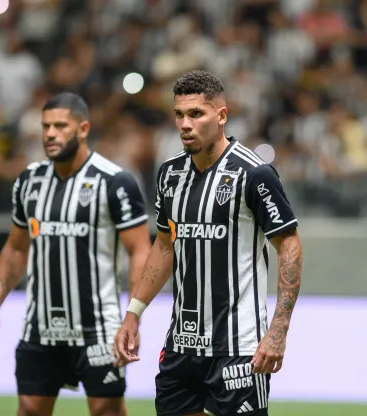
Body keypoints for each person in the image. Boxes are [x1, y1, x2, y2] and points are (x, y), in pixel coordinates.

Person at [114, 70, 304, 416]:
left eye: (196, 114)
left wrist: (278, 331)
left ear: (221, 116)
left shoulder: (254, 174)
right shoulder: (170, 174)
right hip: (182, 346)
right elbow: (164, 246)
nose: (185, 124)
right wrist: (134, 313)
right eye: (179, 115)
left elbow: (289, 246)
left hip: (239, 347)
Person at [0, 92, 152, 416]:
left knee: (106, 410)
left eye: (60, 126)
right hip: (40, 326)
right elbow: (16, 249)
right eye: (46, 126)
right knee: (30, 409)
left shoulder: (115, 182)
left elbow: (140, 251)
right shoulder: (29, 181)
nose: (50, 134)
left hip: (99, 329)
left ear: (83, 129)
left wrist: (133, 318)